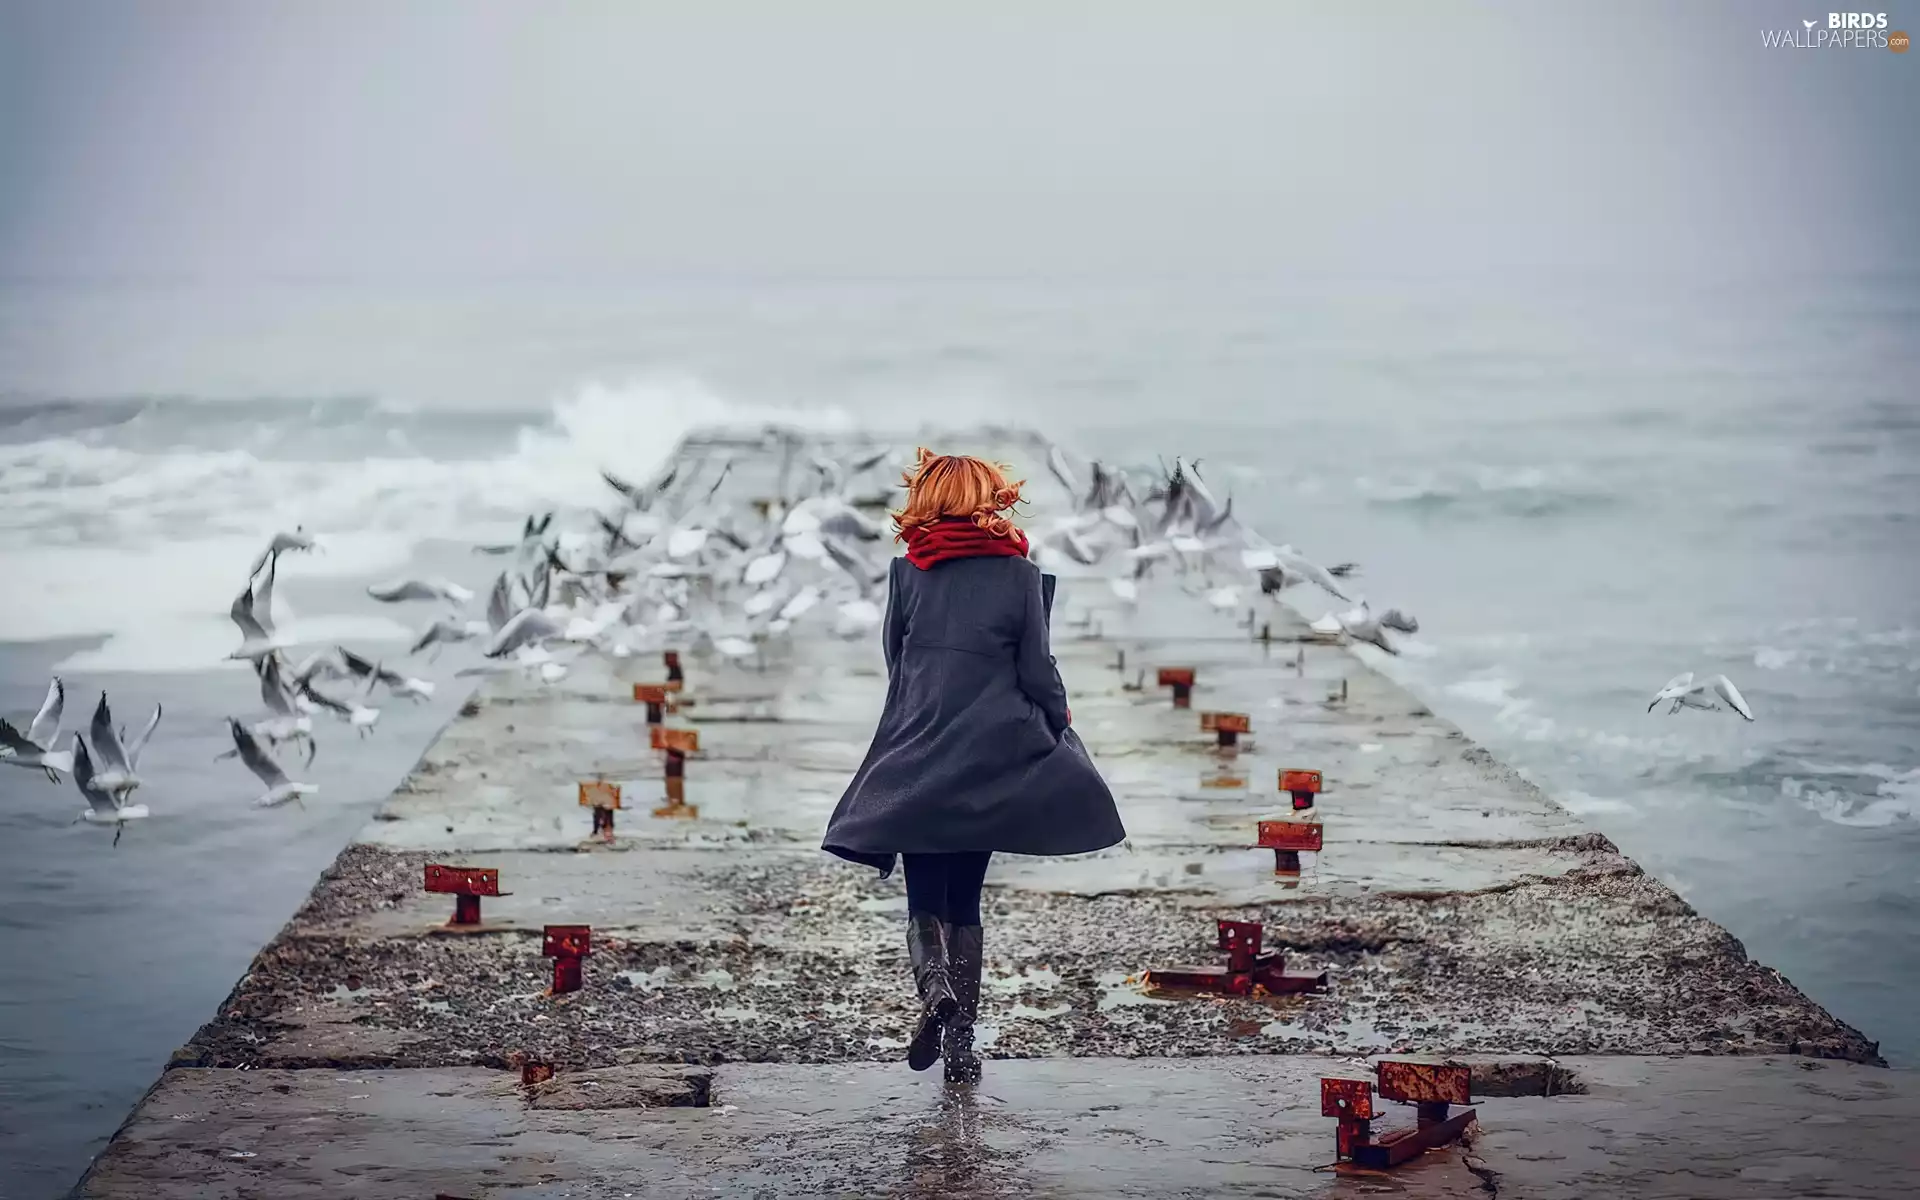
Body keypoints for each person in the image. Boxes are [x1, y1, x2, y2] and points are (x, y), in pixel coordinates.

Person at [822, 448, 1125, 1084]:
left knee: (925, 894)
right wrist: (1059, 716)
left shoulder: (908, 573)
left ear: (927, 500)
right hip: (993, 752)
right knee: (966, 899)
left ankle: (934, 991)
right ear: (990, 500)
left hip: (921, 749)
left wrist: (912, 725)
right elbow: (1036, 668)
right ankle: (961, 1048)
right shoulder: (1019, 576)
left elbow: (896, 664)